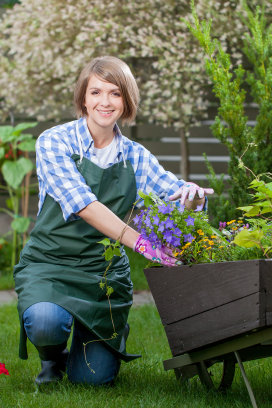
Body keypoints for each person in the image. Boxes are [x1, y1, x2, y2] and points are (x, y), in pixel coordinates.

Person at [13, 56, 214, 387]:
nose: (104, 102)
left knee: (93, 379)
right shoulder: (54, 142)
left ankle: (95, 342)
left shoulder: (135, 156)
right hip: (51, 263)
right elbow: (83, 205)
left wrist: (193, 197)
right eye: (95, 92)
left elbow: (173, 193)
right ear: (83, 98)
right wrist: (141, 243)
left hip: (102, 274)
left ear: (127, 100)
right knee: (46, 322)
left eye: (115, 93)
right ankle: (52, 358)